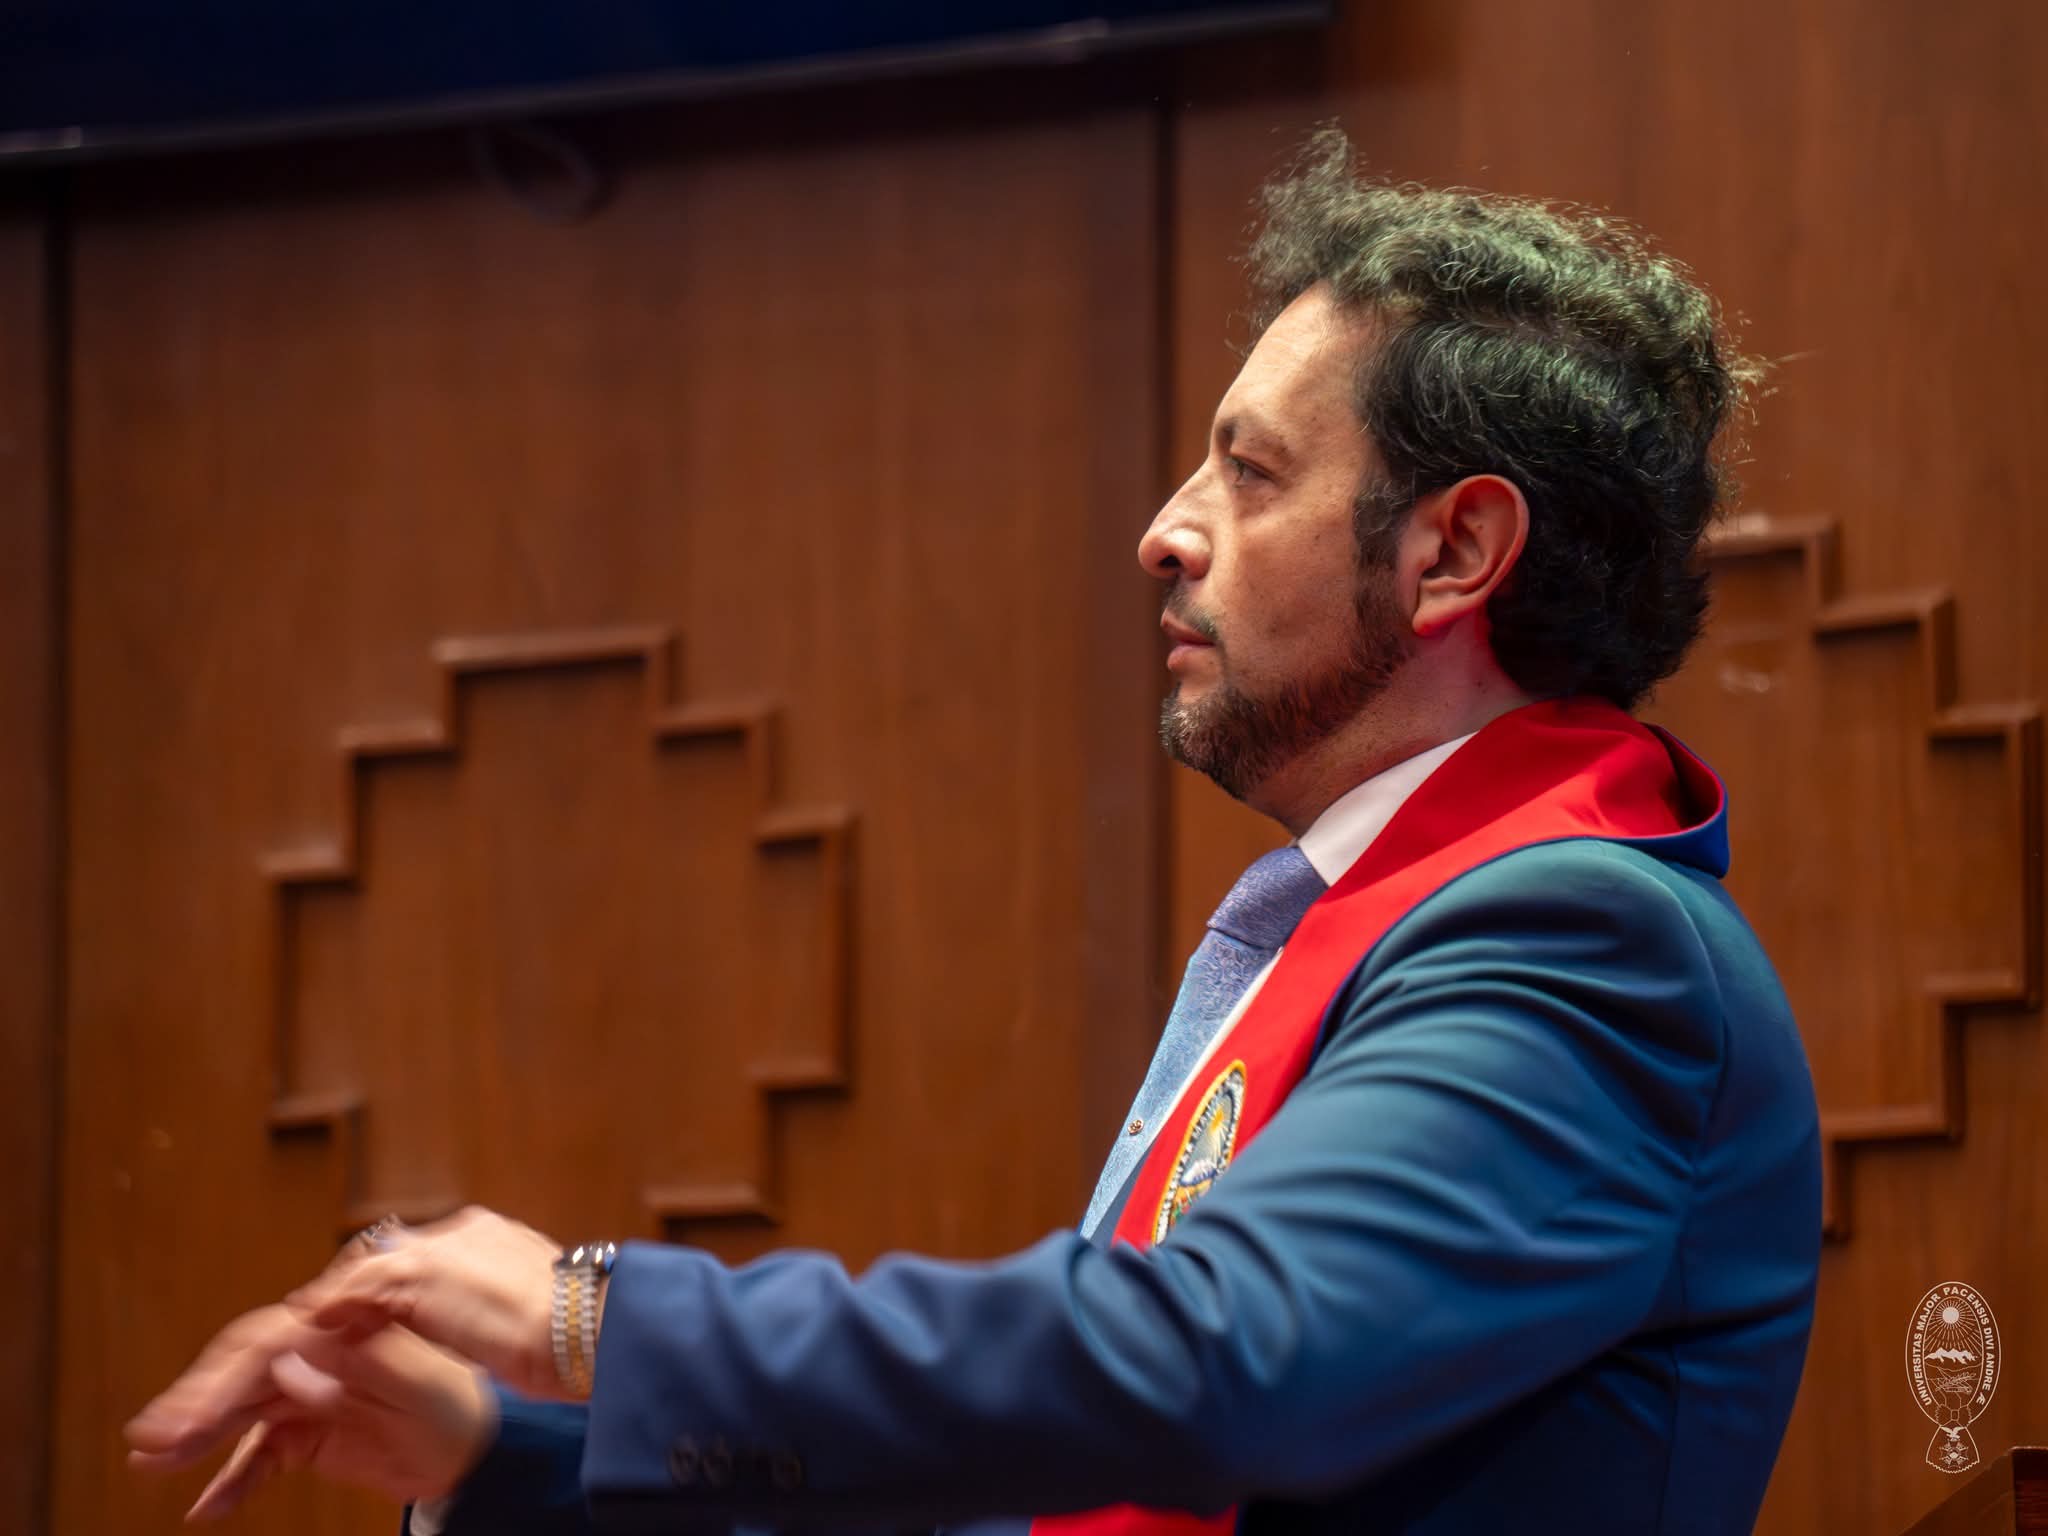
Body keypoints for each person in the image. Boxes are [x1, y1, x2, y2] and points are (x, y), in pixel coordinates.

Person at [126, 126, 1821, 1534]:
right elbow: (1065, 1494)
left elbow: (1218, 1368)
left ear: (1451, 553)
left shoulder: (1585, 940)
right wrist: (499, 1461)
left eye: (1247, 472)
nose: (1166, 531)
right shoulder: (1397, 915)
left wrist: (596, 1318)